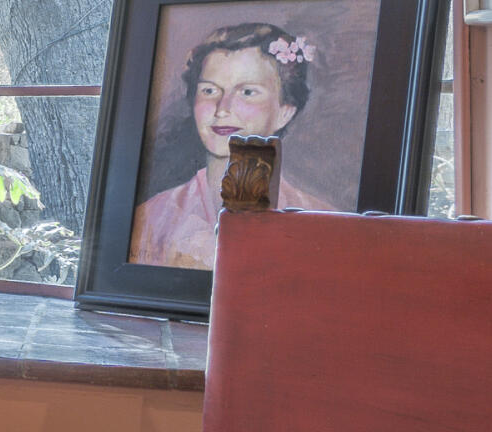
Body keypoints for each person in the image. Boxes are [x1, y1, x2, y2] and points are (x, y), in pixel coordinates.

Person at [128, 20, 336, 270]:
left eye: (247, 92)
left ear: (285, 111)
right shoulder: (151, 218)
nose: (222, 109)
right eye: (209, 90)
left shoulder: (322, 222)